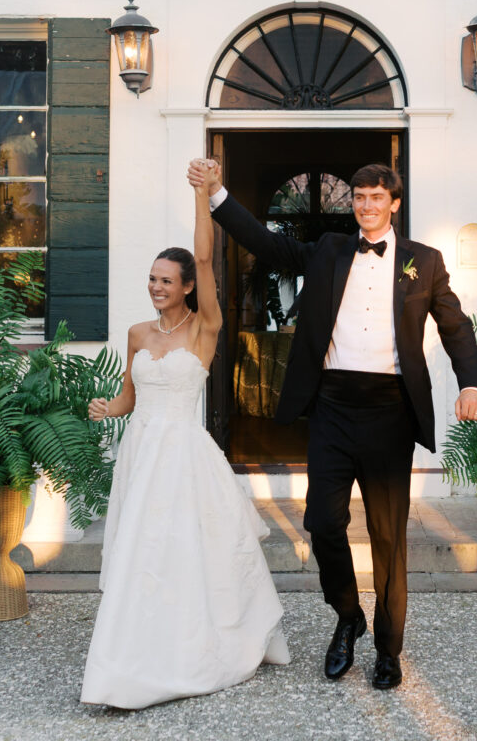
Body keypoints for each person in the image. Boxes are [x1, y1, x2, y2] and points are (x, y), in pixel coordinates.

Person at [187, 160, 477, 690]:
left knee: (389, 536)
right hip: (332, 406)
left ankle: (389, 648)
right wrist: (216, 194)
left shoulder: (426, 262)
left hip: (391, 410)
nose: (367, 206)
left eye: (377, 197)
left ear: (394, 203)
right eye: (360, 198)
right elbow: (267, 243)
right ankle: (348, 616)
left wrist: (470, 384)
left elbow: (456, 326)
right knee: (323, 522)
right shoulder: (329, 250)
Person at [80, 174, 290, 710]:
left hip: (182, 457)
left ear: (187, 286)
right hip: (141, 453)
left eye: (167, 280)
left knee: (183, 550)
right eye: (152, 278)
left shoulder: (205, 329)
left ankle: (190, 647)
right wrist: (108, 408)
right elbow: (129, 397)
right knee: (139, 553)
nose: (156, 287)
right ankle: (130, 655)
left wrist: (203, 196)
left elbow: (204, 257)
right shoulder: (136, 335)